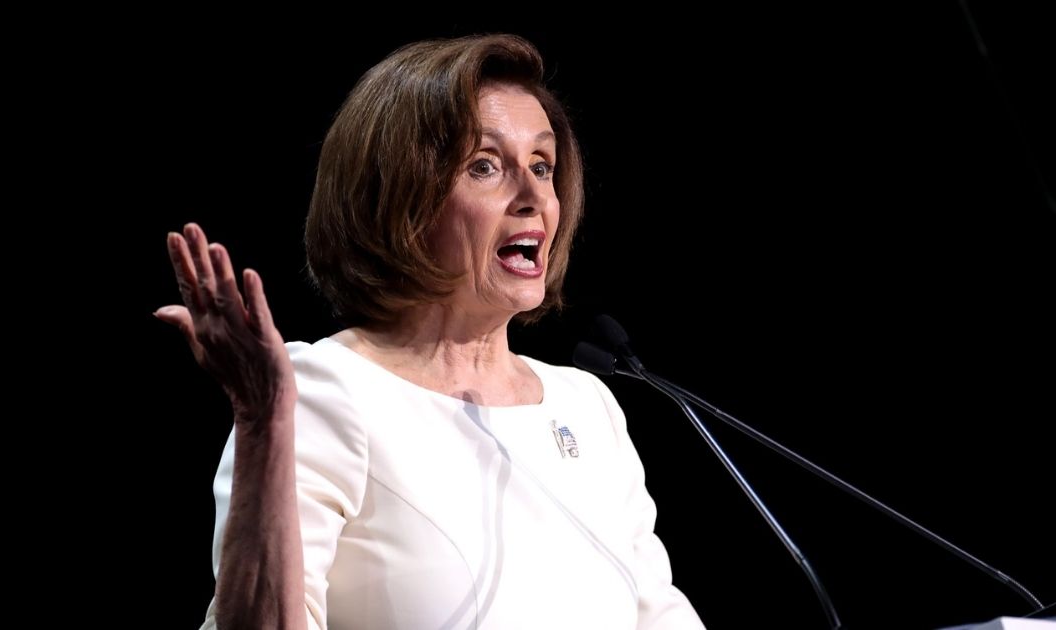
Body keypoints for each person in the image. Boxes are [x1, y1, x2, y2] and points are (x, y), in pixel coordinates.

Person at [157, 34, 706, 630]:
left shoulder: (589, 406)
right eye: (485, 166)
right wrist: (264, 420)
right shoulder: (322, 391)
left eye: (542, 166)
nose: (533, 198)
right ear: (399, 198)